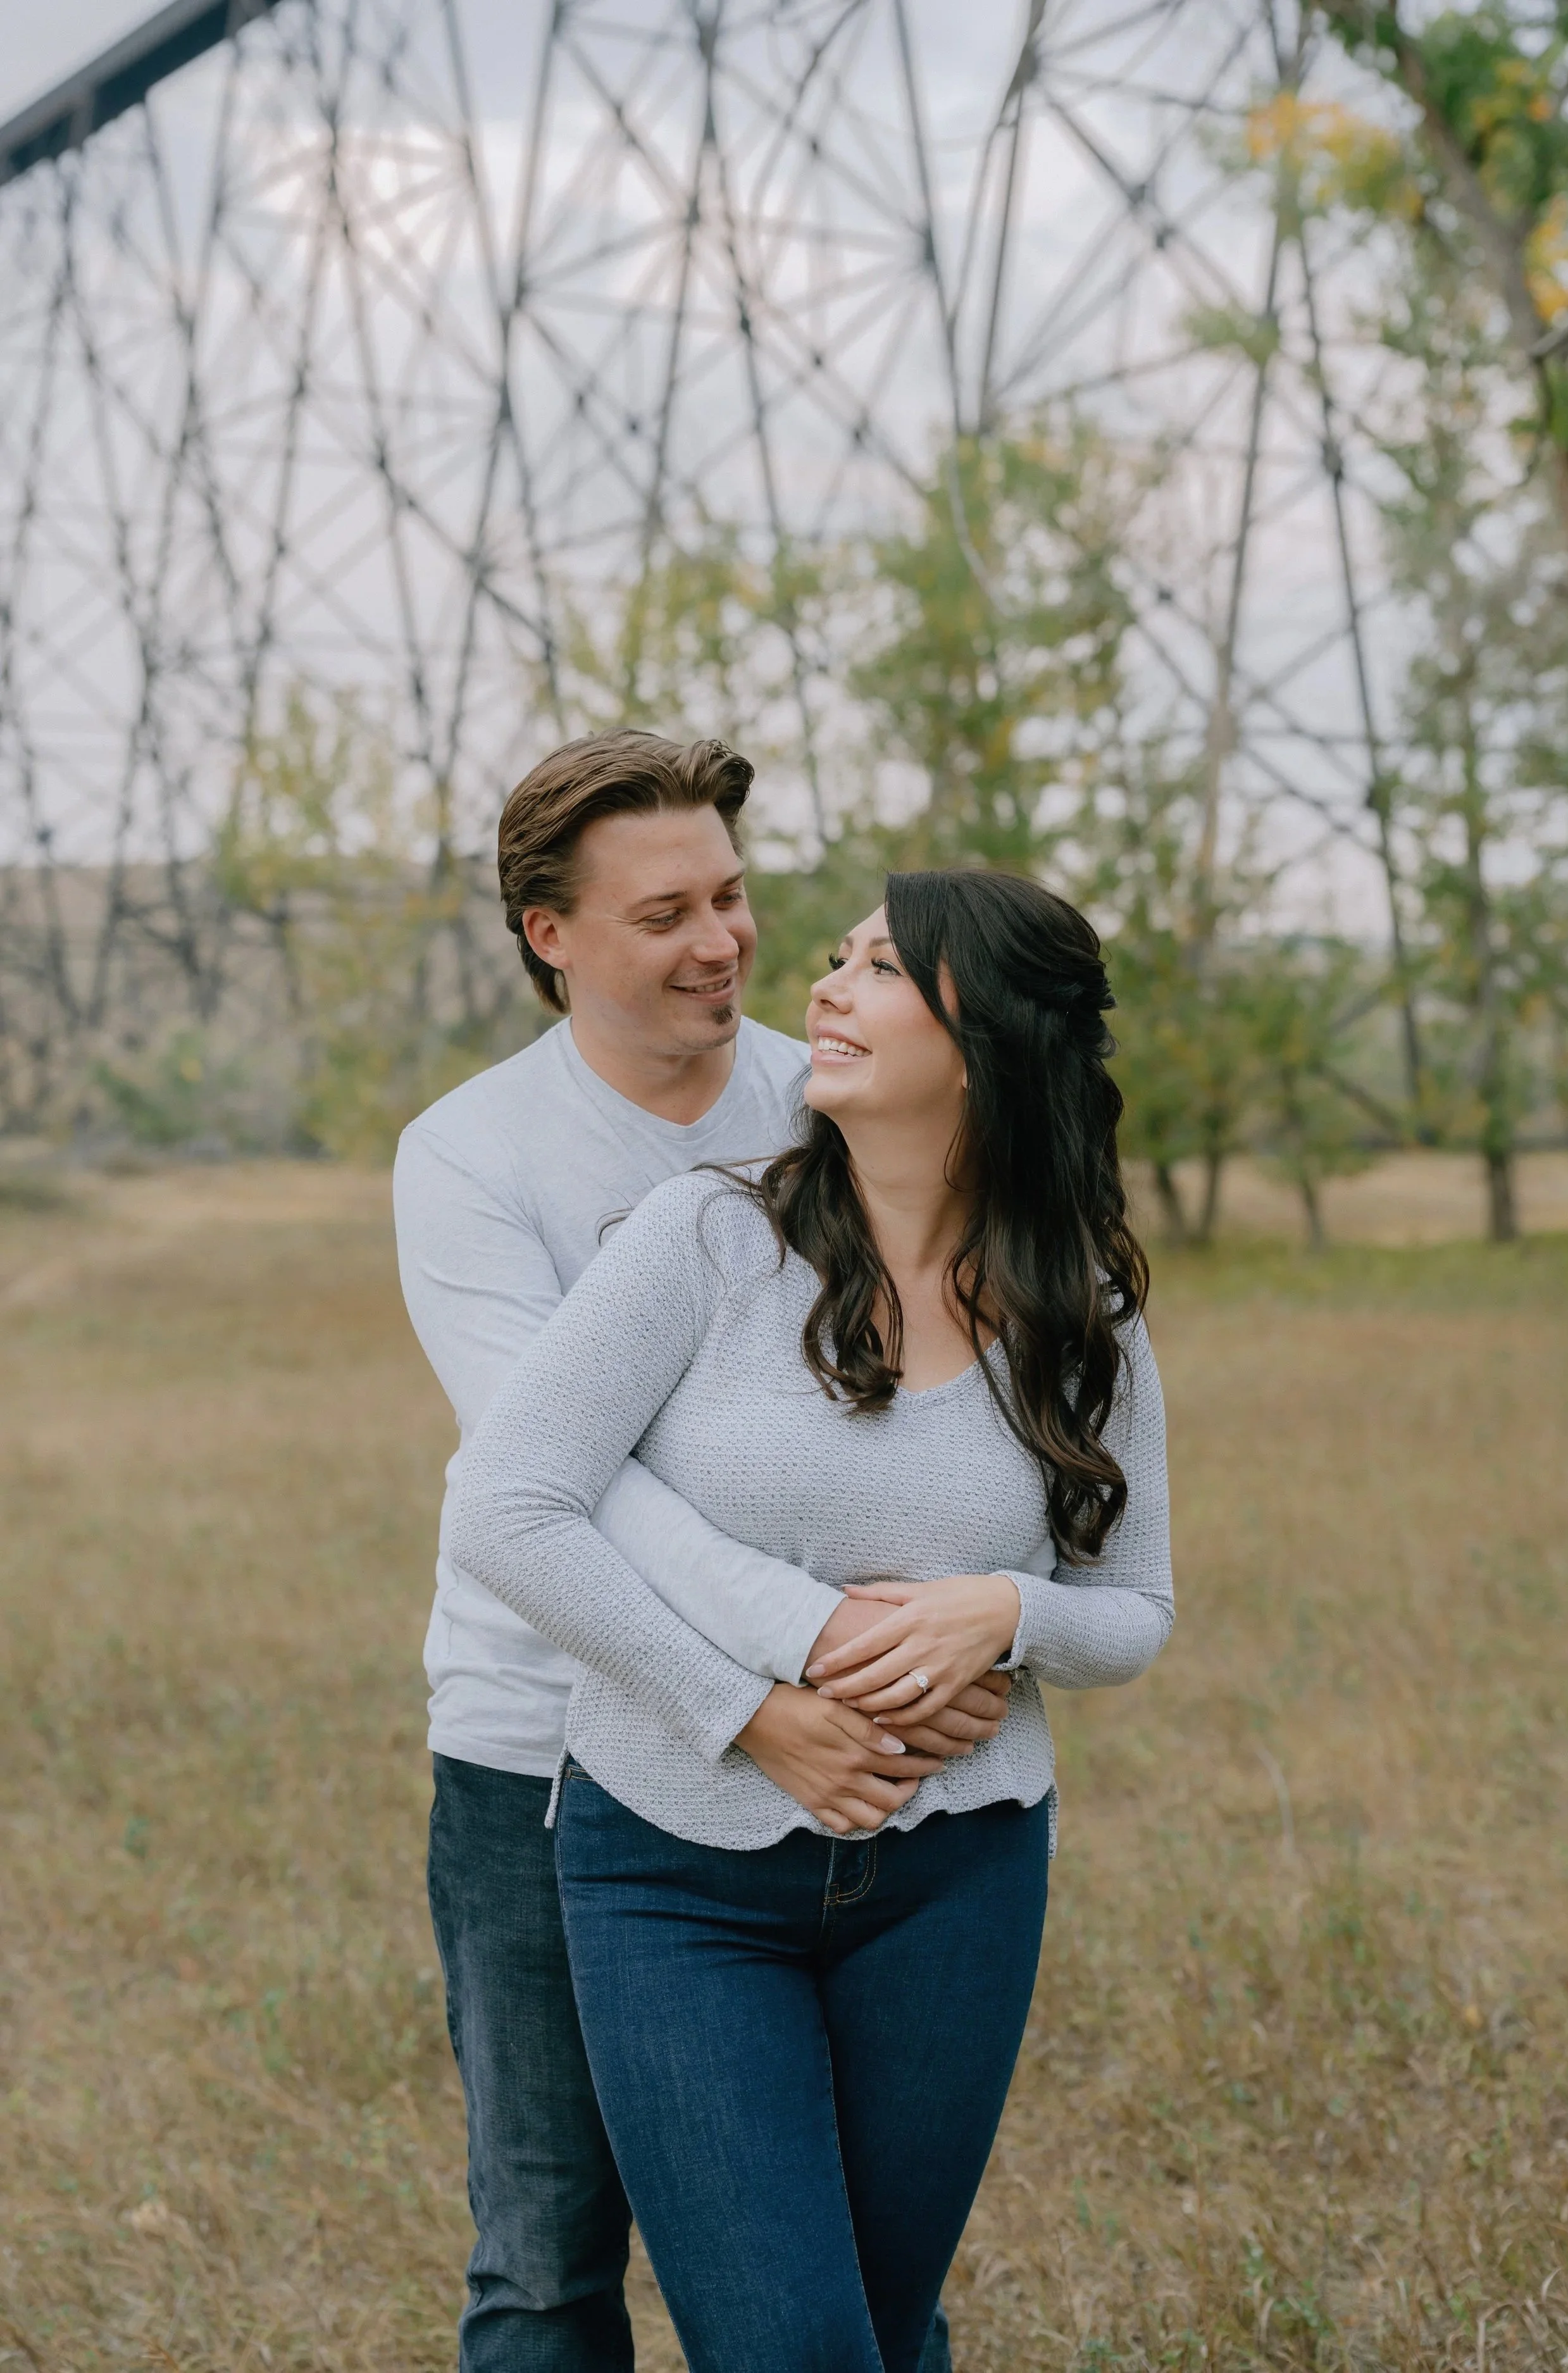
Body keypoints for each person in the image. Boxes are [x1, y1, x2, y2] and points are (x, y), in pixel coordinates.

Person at [449, 868, 1174, 2373]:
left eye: (881, 971)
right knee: (792, 2348)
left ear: (990, 1041)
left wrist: (1007, 1608)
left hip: (959, 1877)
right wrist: (741, 1714)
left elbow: (1133, 1617)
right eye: (833, 960)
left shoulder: (1079, 1304)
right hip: (672, 1875)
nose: (822, 991)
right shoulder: (701, 1243)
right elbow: (508, 1508)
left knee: (885, 2335)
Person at [393, 730, 1004, 2370]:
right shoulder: (470, 1157)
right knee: (546, 2259)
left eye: (733, 896)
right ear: (551, 933)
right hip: (547, 1749)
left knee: (861, 2282)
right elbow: (554, 1485)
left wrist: (964, 1626)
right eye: (664, 911)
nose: (723, 941)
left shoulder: (829, 1097)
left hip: (853, 1752)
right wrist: (778, 1676)